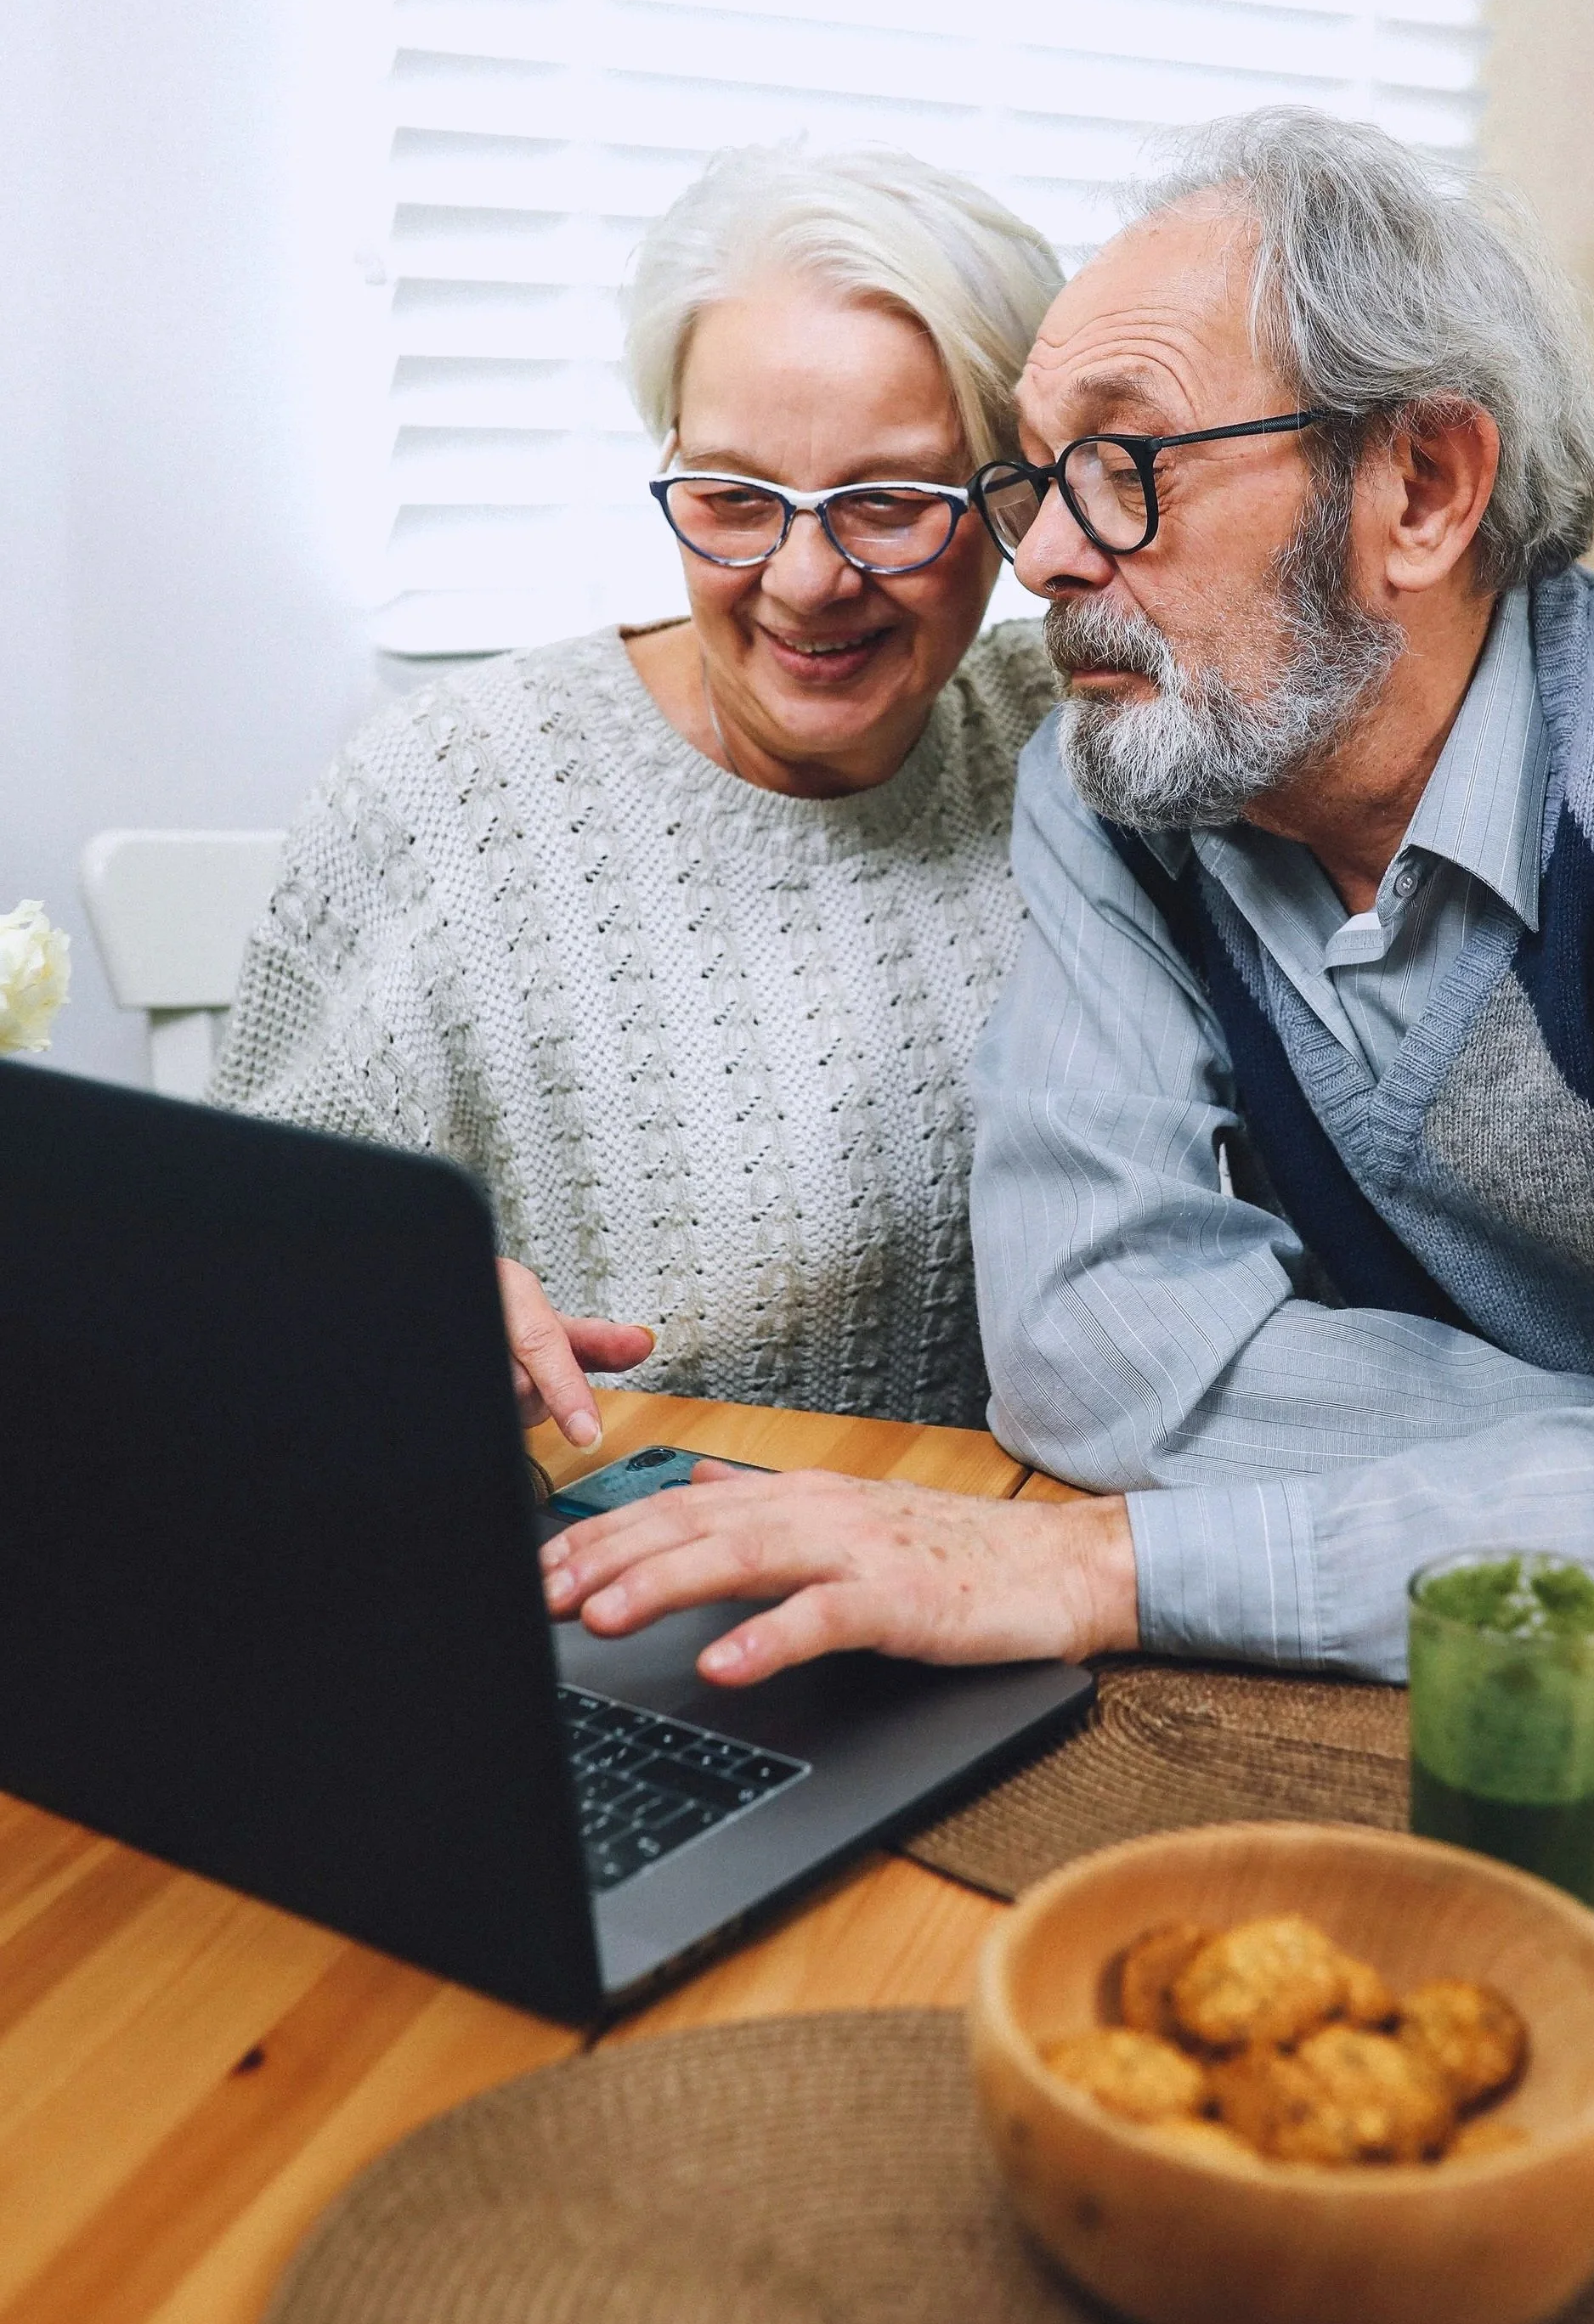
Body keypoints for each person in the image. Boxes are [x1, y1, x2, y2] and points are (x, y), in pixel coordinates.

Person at [538, 104, 1594, 1695]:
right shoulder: (1120, 790)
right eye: (1038, 478)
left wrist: (1108, 1561)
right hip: (1434, 1638)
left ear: (1422, 487)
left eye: (1127, 464)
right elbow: (1093, 1351)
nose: (1047, 563)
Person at [211, 146, 1060, 1436]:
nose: (805, 578)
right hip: (588, 1570)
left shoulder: (1073, 741)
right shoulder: (446, 797)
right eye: (732, 498)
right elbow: (236, 1270)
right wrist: (388, 1296)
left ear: (1016, 502)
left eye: (889, 505)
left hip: (988, 1555)